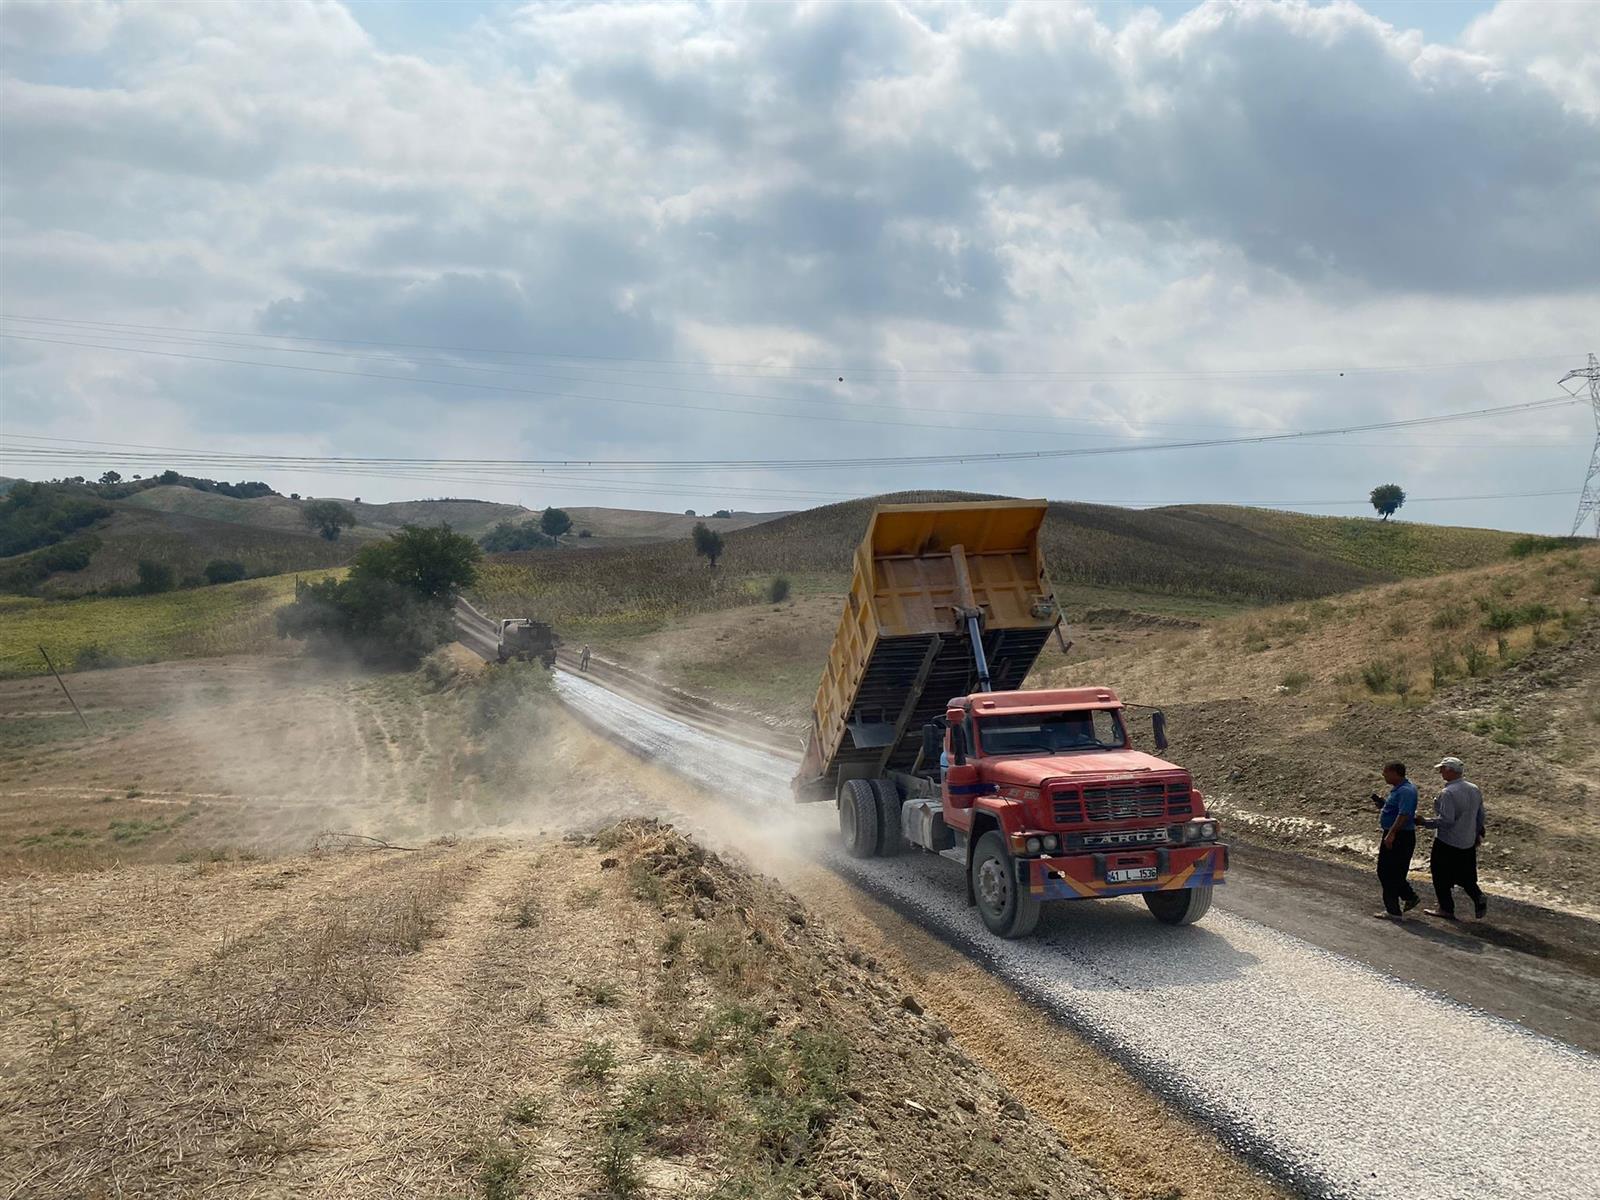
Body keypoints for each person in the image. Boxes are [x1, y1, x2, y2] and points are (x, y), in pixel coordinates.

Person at [1417, 756, 1488, 920]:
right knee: (1466, 875)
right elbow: (1480, 815)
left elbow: (1446, 821)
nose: (1441, 772)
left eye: (1442, 769)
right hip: (1467, 840)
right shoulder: (1474, 789)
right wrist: (1476, 833)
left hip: (1447, 841)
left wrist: (1424, 822)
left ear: (1450, 770)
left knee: (1439, 874)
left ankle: (1446, 908)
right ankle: (1477, 896)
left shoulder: (1448, 793)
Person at [1369, 760, 1420, 920]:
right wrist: (1384, 806)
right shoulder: (1399, 789)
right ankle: (1408, 896)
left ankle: (1393, 910)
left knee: (1389, 872)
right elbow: (1397, 810)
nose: (1383, 774)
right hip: (1395, 834)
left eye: (1386, 771)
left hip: (1400, 836)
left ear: (1394, 772)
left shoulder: (1406, 791)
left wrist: (1391, 834)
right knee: (1389, 872)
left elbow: (1404, 815)